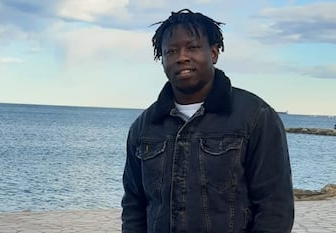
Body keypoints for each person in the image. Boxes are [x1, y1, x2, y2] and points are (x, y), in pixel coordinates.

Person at [121, 9, 294, 233]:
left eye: (192, 47)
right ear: (162, 59)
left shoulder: (255, 117)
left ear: (213, 53)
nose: (181, 56)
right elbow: (134, 205)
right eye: (171, 51)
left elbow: (275, 208)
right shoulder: (144, 127)